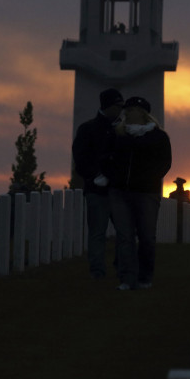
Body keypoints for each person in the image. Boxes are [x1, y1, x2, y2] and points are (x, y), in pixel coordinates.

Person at [109, 97, 172, 290]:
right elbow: (108, 158)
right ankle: (127, 278)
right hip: (120, 192)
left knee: (146, 236)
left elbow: (164, 163)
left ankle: (145, 277)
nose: (128, 113)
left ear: (143, 113)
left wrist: (149, 178)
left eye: (133, 110)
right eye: (127, 110)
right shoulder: (118, 135)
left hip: (146, 193)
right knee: (125, 236)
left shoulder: (158, 137)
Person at [72, 88, 124, 279]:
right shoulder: (88, 129)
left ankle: (122, 266)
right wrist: (96, 175)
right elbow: (81, 158)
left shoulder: (122, 130)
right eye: (117, 107)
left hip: (119, 191)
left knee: (124, 232)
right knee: (97, 233)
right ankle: (97, 270)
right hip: (97, 190)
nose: (120, 111)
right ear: (108, 106)